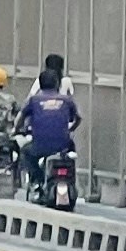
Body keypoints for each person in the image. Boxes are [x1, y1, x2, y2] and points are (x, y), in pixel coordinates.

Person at [19, 52, 81, 192]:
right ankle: (71, 181)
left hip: (39, 137)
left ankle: (37, 180)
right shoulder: (66, 87)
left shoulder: (36, 95)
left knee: (26, 152)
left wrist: (22, 127)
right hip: (63, 136)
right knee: (70, 152)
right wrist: (70, 126)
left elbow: (26, 108)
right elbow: (75, 113)